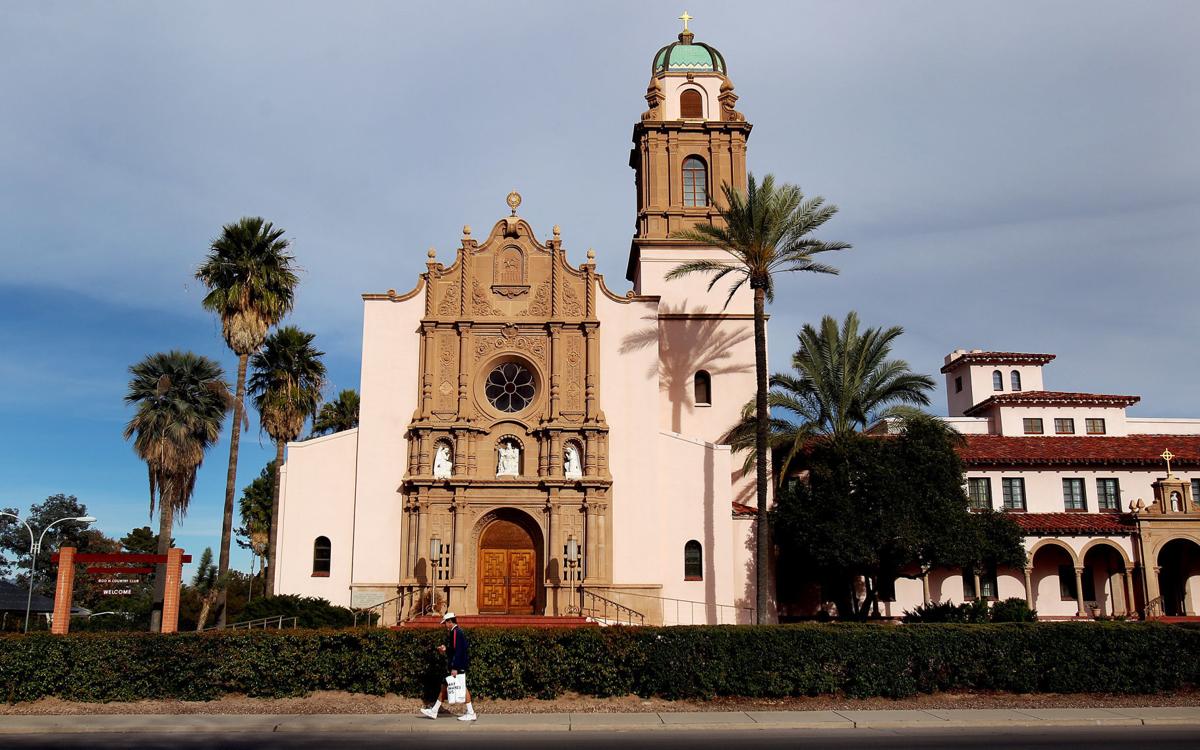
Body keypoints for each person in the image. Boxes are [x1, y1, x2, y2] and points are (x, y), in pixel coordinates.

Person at [420, 612, 476, 721]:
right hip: (457, 665)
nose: (444, 625)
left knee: (461, 688)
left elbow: (458, 651)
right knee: (444, 687)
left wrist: (454, 667)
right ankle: (434, 710)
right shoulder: (455, 632)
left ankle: (471, 712)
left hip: (457, 666)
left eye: (445, 623)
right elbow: (454, 649)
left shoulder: (455, 632)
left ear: (450, 622)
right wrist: (446, 649)